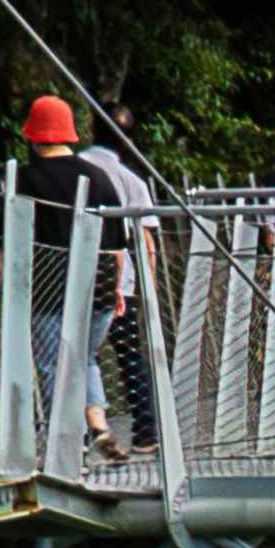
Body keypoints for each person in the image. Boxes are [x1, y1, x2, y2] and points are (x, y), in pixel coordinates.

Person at [21, 92, 164, 469]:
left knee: (55, 364)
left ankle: (70, 442)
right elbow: (132, 241)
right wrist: (134, 286)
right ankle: (123, 427)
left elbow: (9, 236)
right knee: (95, 358)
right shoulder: (117, 179)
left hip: (50, 287)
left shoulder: (30, 179)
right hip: (107, 286)